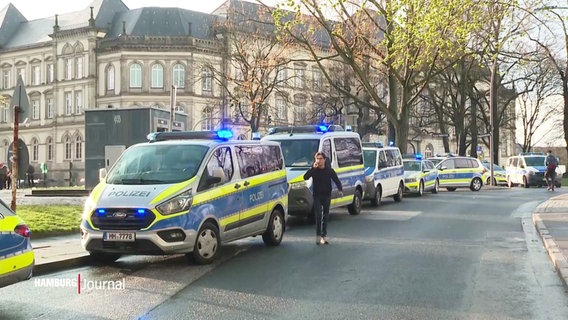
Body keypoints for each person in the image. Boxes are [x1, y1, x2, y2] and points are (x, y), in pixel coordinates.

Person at [303, 151, 343, 245]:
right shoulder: (314, 170)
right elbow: (305, 177)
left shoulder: (329, 170)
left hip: (327, 195)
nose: (319, 161)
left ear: (324, 160)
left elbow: (336, 180)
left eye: (321, 159)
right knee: (318, 216)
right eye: (317, 159)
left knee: (325, 216)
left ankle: (323, 236)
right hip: (317, 195)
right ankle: (317, 236)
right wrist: (312, 168)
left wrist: (340, 190)